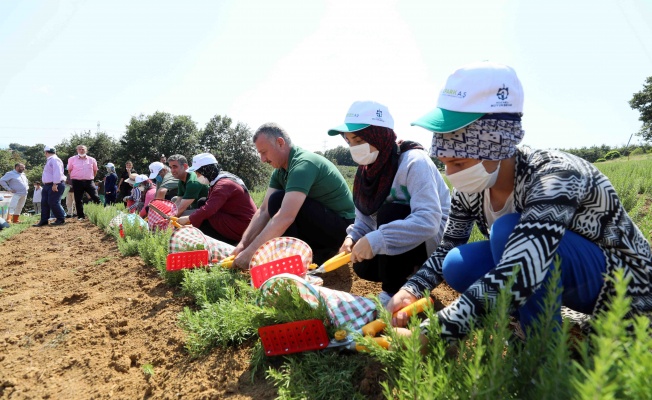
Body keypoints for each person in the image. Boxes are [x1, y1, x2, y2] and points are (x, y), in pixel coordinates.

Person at [388, 61, 652, 345]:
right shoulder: (472, 187)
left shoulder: (556, 175)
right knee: (457, 264)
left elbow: (524, 264)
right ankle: (528, 319)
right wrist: (413, 288)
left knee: (507, 231)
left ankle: (540, 350)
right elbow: (449, 245)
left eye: (459, 162)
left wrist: (433, 333)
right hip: (566, 280)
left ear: (496, 145)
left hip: (627, 289)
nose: (452, 175)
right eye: (445, 164)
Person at [327, 101, 451, 306]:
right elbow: (364, 220)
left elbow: (429, 220)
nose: (354, 148)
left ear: (378, 134)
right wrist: (352, 237)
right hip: (403, 244)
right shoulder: (366, 172)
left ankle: (394, 291)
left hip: (433, 246)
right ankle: (405, 278)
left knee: (392, 211)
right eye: (349, 141)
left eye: (359, 139)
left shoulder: (413, 161)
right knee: (362, 265)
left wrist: (377, 239)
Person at [232, 123, 356, 269]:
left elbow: (285, 216)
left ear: (280, 143)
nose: (262, 159)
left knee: (278, 200)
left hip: (343, 229)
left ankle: (315, 254)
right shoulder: (280, 171)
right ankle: (303, 254)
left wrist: (250, 254)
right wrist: (242, 245)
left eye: (264, 152)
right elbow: (264, 210)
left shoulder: (303, 164)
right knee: (274, 202)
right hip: (321, 222)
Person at [176, 153, 257, 245]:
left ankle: (221, 243)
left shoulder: (223, 184)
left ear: (207, 170)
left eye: (198, 172)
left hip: (243, 226)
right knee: (202, 203)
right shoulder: (221, 179)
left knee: (204, 216)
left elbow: (209, 209)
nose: (197, 175)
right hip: (240, 221)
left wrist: (188, 219)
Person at [33, 146, 66, 226]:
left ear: (46, 152)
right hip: (47, 185)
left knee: (53, 202)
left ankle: (60, 219)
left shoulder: (55, 159)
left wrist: (55, 184)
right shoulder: (51, 160)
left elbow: (57, 172)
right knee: (44, 202)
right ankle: (44, 220)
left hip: (54, 184)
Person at [67, 144, 101, 220]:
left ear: (86, 150)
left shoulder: (92, 159)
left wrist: (90, 178)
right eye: (79, 149)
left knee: (96, 197)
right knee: (78, 200)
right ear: (77, 150)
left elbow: (95, 170)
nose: (81, 150)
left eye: (83, 149)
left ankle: (101, 213)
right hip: (77, 182)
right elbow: (69, 170)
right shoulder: (72, 159)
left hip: (89, 181)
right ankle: (81, 216)